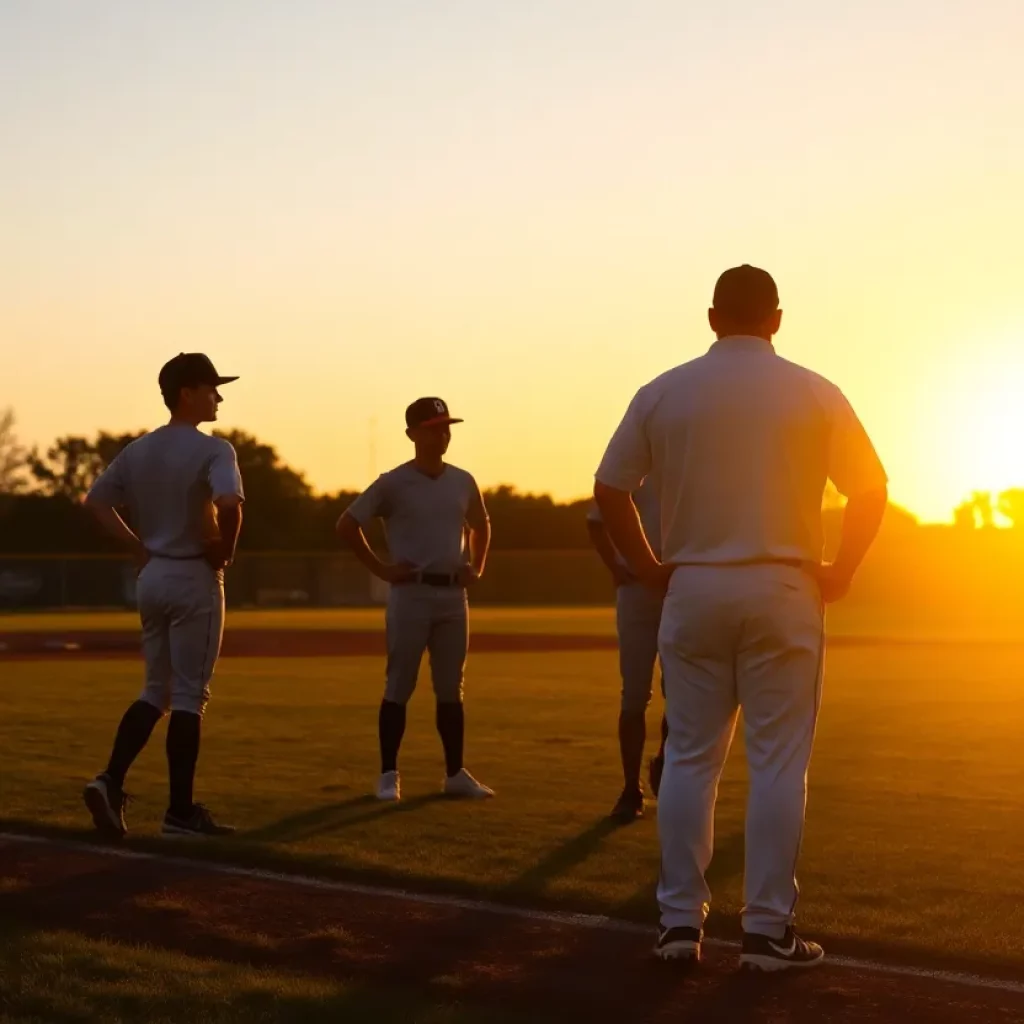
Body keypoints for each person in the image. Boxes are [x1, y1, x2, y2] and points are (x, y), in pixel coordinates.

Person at [594, 265, 887, 971]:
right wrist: (841, 569)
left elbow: (611, 488)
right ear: (777, 318)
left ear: (711, 316)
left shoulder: (664, 391)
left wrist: (648, 567)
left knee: (691, 757)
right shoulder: (815, 392)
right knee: (779, 762)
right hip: (783, 585)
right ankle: (766, 932)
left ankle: (676, 926)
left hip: (693, 586)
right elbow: (870, 489)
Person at [83, 353, 244, 839]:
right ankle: (180, 813)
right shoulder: (215, 450)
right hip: (194, 576)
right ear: (187, 393)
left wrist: (136, 544)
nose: (219, 395)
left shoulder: (138, 450)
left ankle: (109, 780)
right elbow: (230, 505)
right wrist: (227, 551)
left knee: (156, 690)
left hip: (152, 576)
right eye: (211, 387)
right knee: (191, 697)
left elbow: (96, 501)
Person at [337, 397, 494, 802]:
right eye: (432, 427)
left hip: (452, 595)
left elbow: (481, 523)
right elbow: (348, 523)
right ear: (412, 434)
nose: (442, 434)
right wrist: (382, 569)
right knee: (399, 683)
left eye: (446, 427)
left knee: (450, 687)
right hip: (411, 594)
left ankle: (455, 773)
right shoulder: (394, 482)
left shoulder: (462, 480)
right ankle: (389, 775)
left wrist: (476, 566)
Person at [586, 475, 669, 822]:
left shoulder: (689, 463)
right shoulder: (630, 470)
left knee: (680, 692)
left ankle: (666, 762)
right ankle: (630, 789)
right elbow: (595, 520)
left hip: (679, 590)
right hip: (637, 592)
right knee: (635, 694)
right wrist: (615, 566)